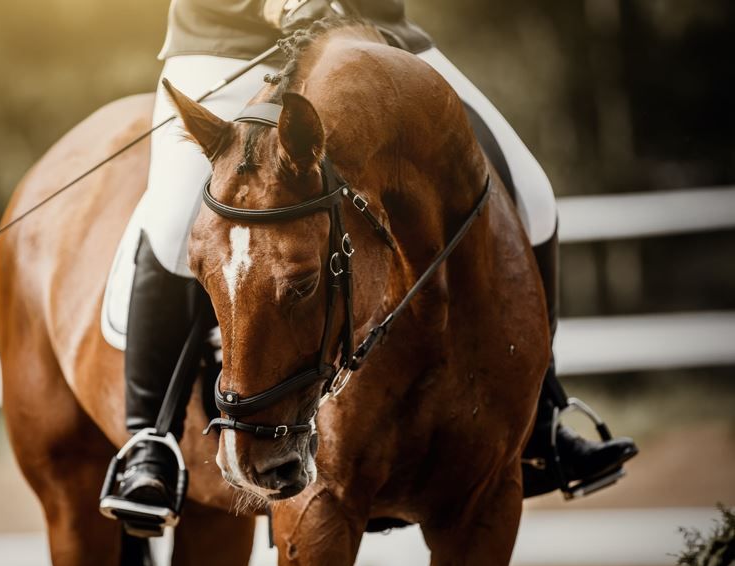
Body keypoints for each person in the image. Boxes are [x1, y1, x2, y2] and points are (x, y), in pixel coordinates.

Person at [100, 0, 637, 536]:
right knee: (174, 226)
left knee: (534, 194)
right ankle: (149, 438)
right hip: (227, 43)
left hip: (369, 32)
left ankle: (541, 417)